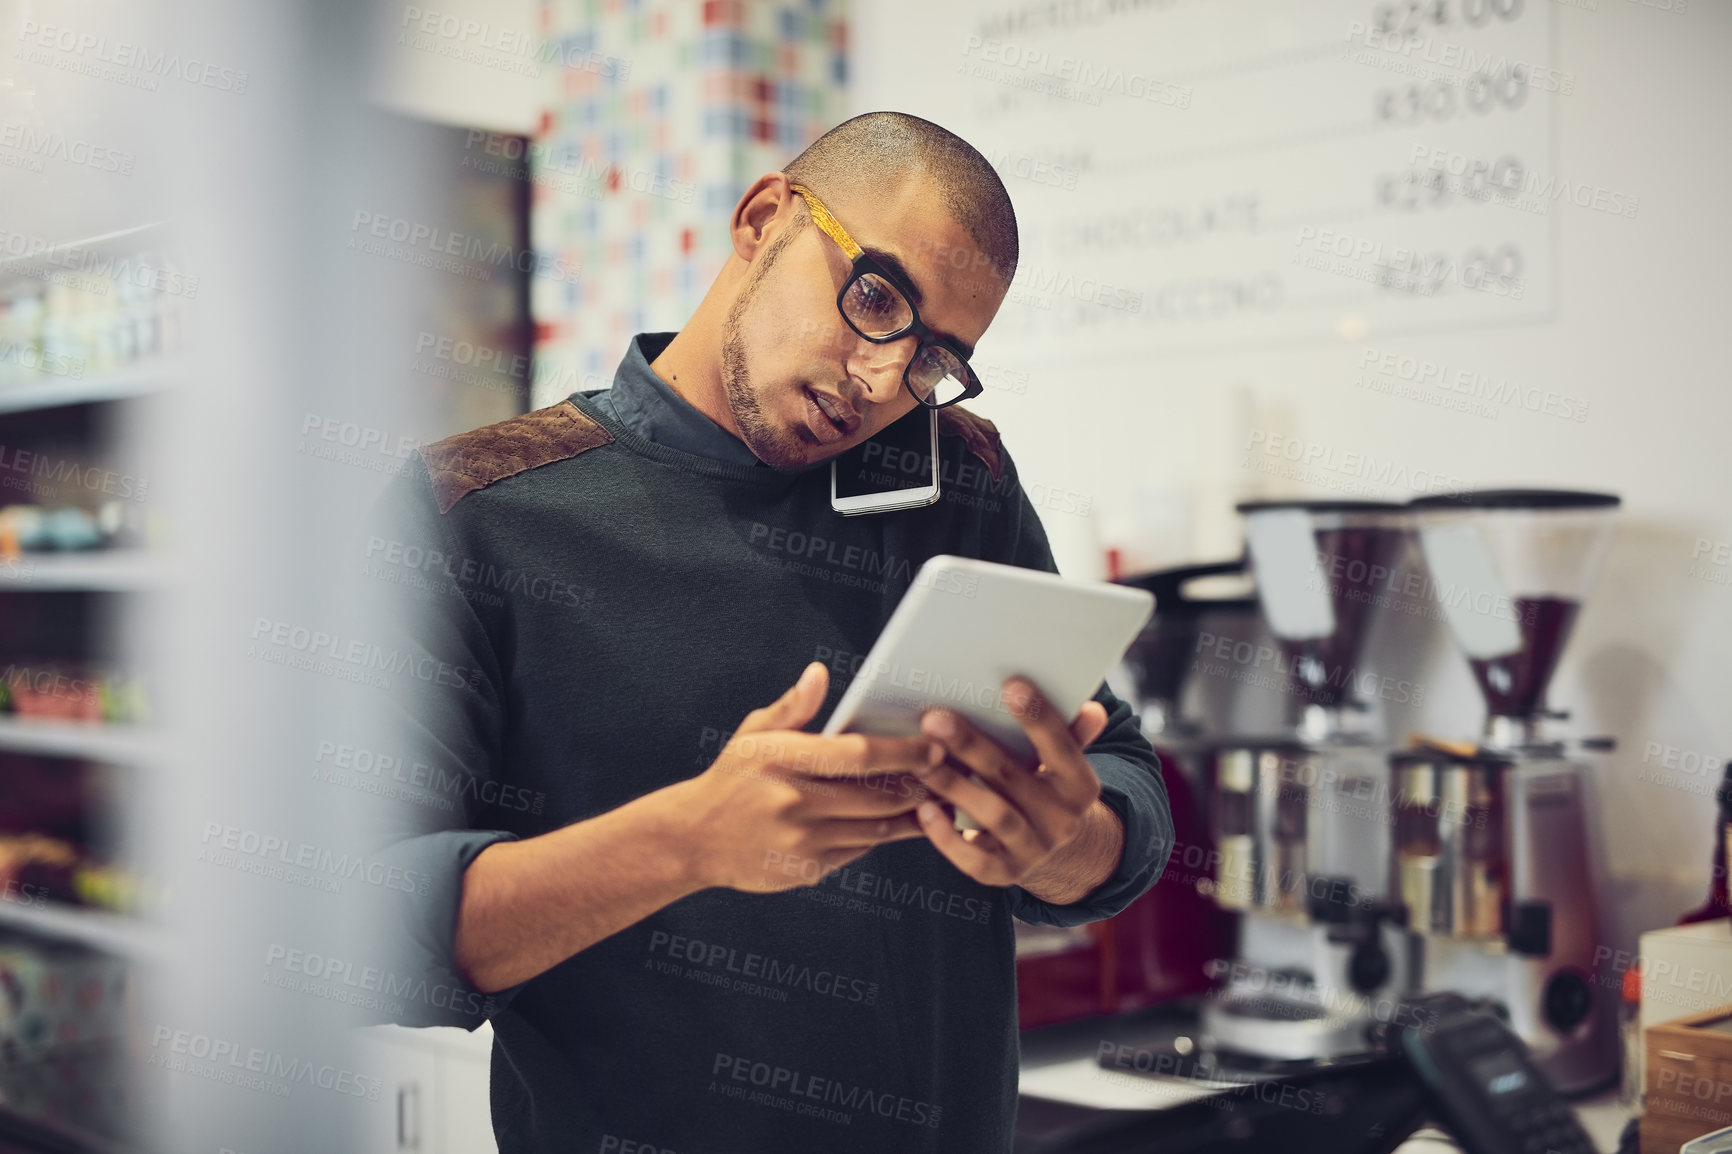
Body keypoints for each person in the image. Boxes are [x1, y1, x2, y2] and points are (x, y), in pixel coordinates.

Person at [370, 111, 1173, 1153]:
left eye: (934, 357)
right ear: (762, 219)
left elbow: (1119, 766)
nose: (883, 380)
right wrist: (685, 840)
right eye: (875, 298)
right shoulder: (476, 508)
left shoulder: (954, 477)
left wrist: (1071, 841)